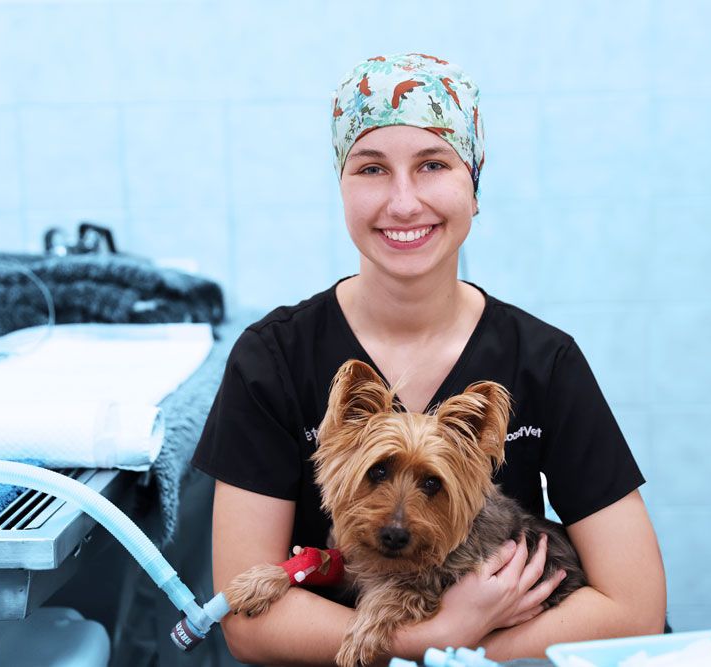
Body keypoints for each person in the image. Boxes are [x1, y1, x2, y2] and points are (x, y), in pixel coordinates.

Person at [193, 53, 666, 665]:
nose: (403, 201)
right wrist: (436, 639)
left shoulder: (543, 362)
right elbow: (246, 623)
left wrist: (465, 656)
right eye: (371, 169)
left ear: (474, 184)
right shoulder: (273, 360)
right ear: (341, 186)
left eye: (433, 164)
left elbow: (636, 608)